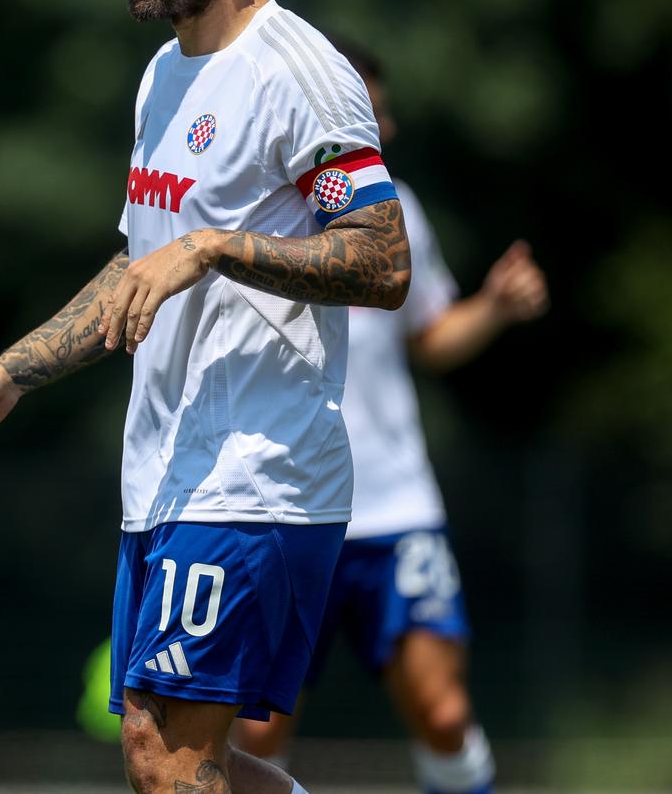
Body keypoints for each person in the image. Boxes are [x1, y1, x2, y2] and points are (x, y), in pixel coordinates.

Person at [0, 0, 411, 794]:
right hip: (166, 475)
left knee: (169, 764)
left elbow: (382, 260)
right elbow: (138, 266)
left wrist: (216, 244)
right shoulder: (162, 75)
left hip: (254, 473)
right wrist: (6, 375)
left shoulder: (297, 72)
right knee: (168, 761)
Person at [229, 40, 550, 794]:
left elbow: (432, 336)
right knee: (254, 734)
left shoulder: (396, 209)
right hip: (283, 507)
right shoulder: (254, 209)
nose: (389, 128)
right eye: (372, 113)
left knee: (442, 710)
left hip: (395, 506)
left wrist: (494, 309)